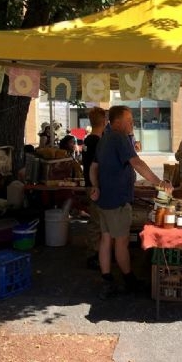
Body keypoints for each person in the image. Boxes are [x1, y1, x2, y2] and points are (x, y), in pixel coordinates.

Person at [89, 105, 172, 299]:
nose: (132, 123)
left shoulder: (104, 138)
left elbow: (93, 167)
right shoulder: (119, 137)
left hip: (104, 200)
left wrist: (96, 186)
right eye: (129, 120)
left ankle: (107, 280)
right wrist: (159, 182)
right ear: (118, 122)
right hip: (117, 200)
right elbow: (137, 163)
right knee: (121, 242)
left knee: (105, 239)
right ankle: (129, 280)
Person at [82, 107, 107, 270]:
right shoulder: (97, 142)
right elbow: (97, 167)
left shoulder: (88, 140)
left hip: (90, 185)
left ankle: (99, 253)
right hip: (95, 187)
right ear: (104, 121)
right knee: (96, 222)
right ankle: (94, 254)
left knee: (97, 220)